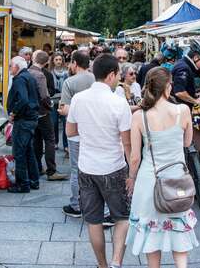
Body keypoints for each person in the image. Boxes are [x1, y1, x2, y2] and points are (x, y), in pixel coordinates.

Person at [126, 67, 199, 267]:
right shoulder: (183, 110)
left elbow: (134, 157)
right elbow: (187, 143)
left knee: (151, 240)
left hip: (150, 181)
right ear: (167, 87)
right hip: (177, 181)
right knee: (179, 238)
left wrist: (131, 179)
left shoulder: (139, 116)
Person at [66, 54, 132, 268]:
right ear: (111, 75)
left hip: (86, 166)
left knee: (93, 221)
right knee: (121, 217)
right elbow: (127, 142)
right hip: (113, 166)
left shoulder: (78, 99)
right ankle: (116, 262)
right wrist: (132, 172)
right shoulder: (119, 103)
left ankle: (102, 264)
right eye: (119, 74)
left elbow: (70, 131)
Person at [58, 51, 95, 218]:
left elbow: (65, 109)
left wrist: (62, 110)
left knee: (76, 169)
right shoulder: (97, 79)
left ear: (75, 63)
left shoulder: (69, 82)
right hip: (97, 131)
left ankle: (76, 205)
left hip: (76, 132)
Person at [29, 51, 68, 181]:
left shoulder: (28, 72)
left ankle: (38, 167)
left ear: (34, 59)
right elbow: (44, 95)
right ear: (46, 62)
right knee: (50, 140)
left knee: (37, 140)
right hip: (42, 112)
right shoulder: (40, 75)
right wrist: (50, 104)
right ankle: (51, 171)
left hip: (33, 112)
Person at [7, 56, 40, 193]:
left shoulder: (20, 79)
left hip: (24, 120)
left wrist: (13, 112)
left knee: (19, 152)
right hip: (31, 118)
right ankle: (34, 180)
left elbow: (23, 100)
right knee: (28, 151)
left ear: (17, 67)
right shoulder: (28, 76)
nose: (9, 68)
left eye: (10, 66)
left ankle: (23, 184)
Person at [172, 40, 200, 108]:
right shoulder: (183, 68)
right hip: (180, 109)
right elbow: (179, 92)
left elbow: (185, 88)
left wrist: (195, 94)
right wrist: (195, 101)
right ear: (196, 58)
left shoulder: (185, 65)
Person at [50, 52, 69, 153]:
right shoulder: (50, 72)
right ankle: (55, 142)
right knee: (54, 123)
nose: (58, 61)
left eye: (60, 60)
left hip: (64, 100)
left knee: (66, 123)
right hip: (53, 100)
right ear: (53, 61)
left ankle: (66, 145)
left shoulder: (66, 73)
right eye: (56, 59)